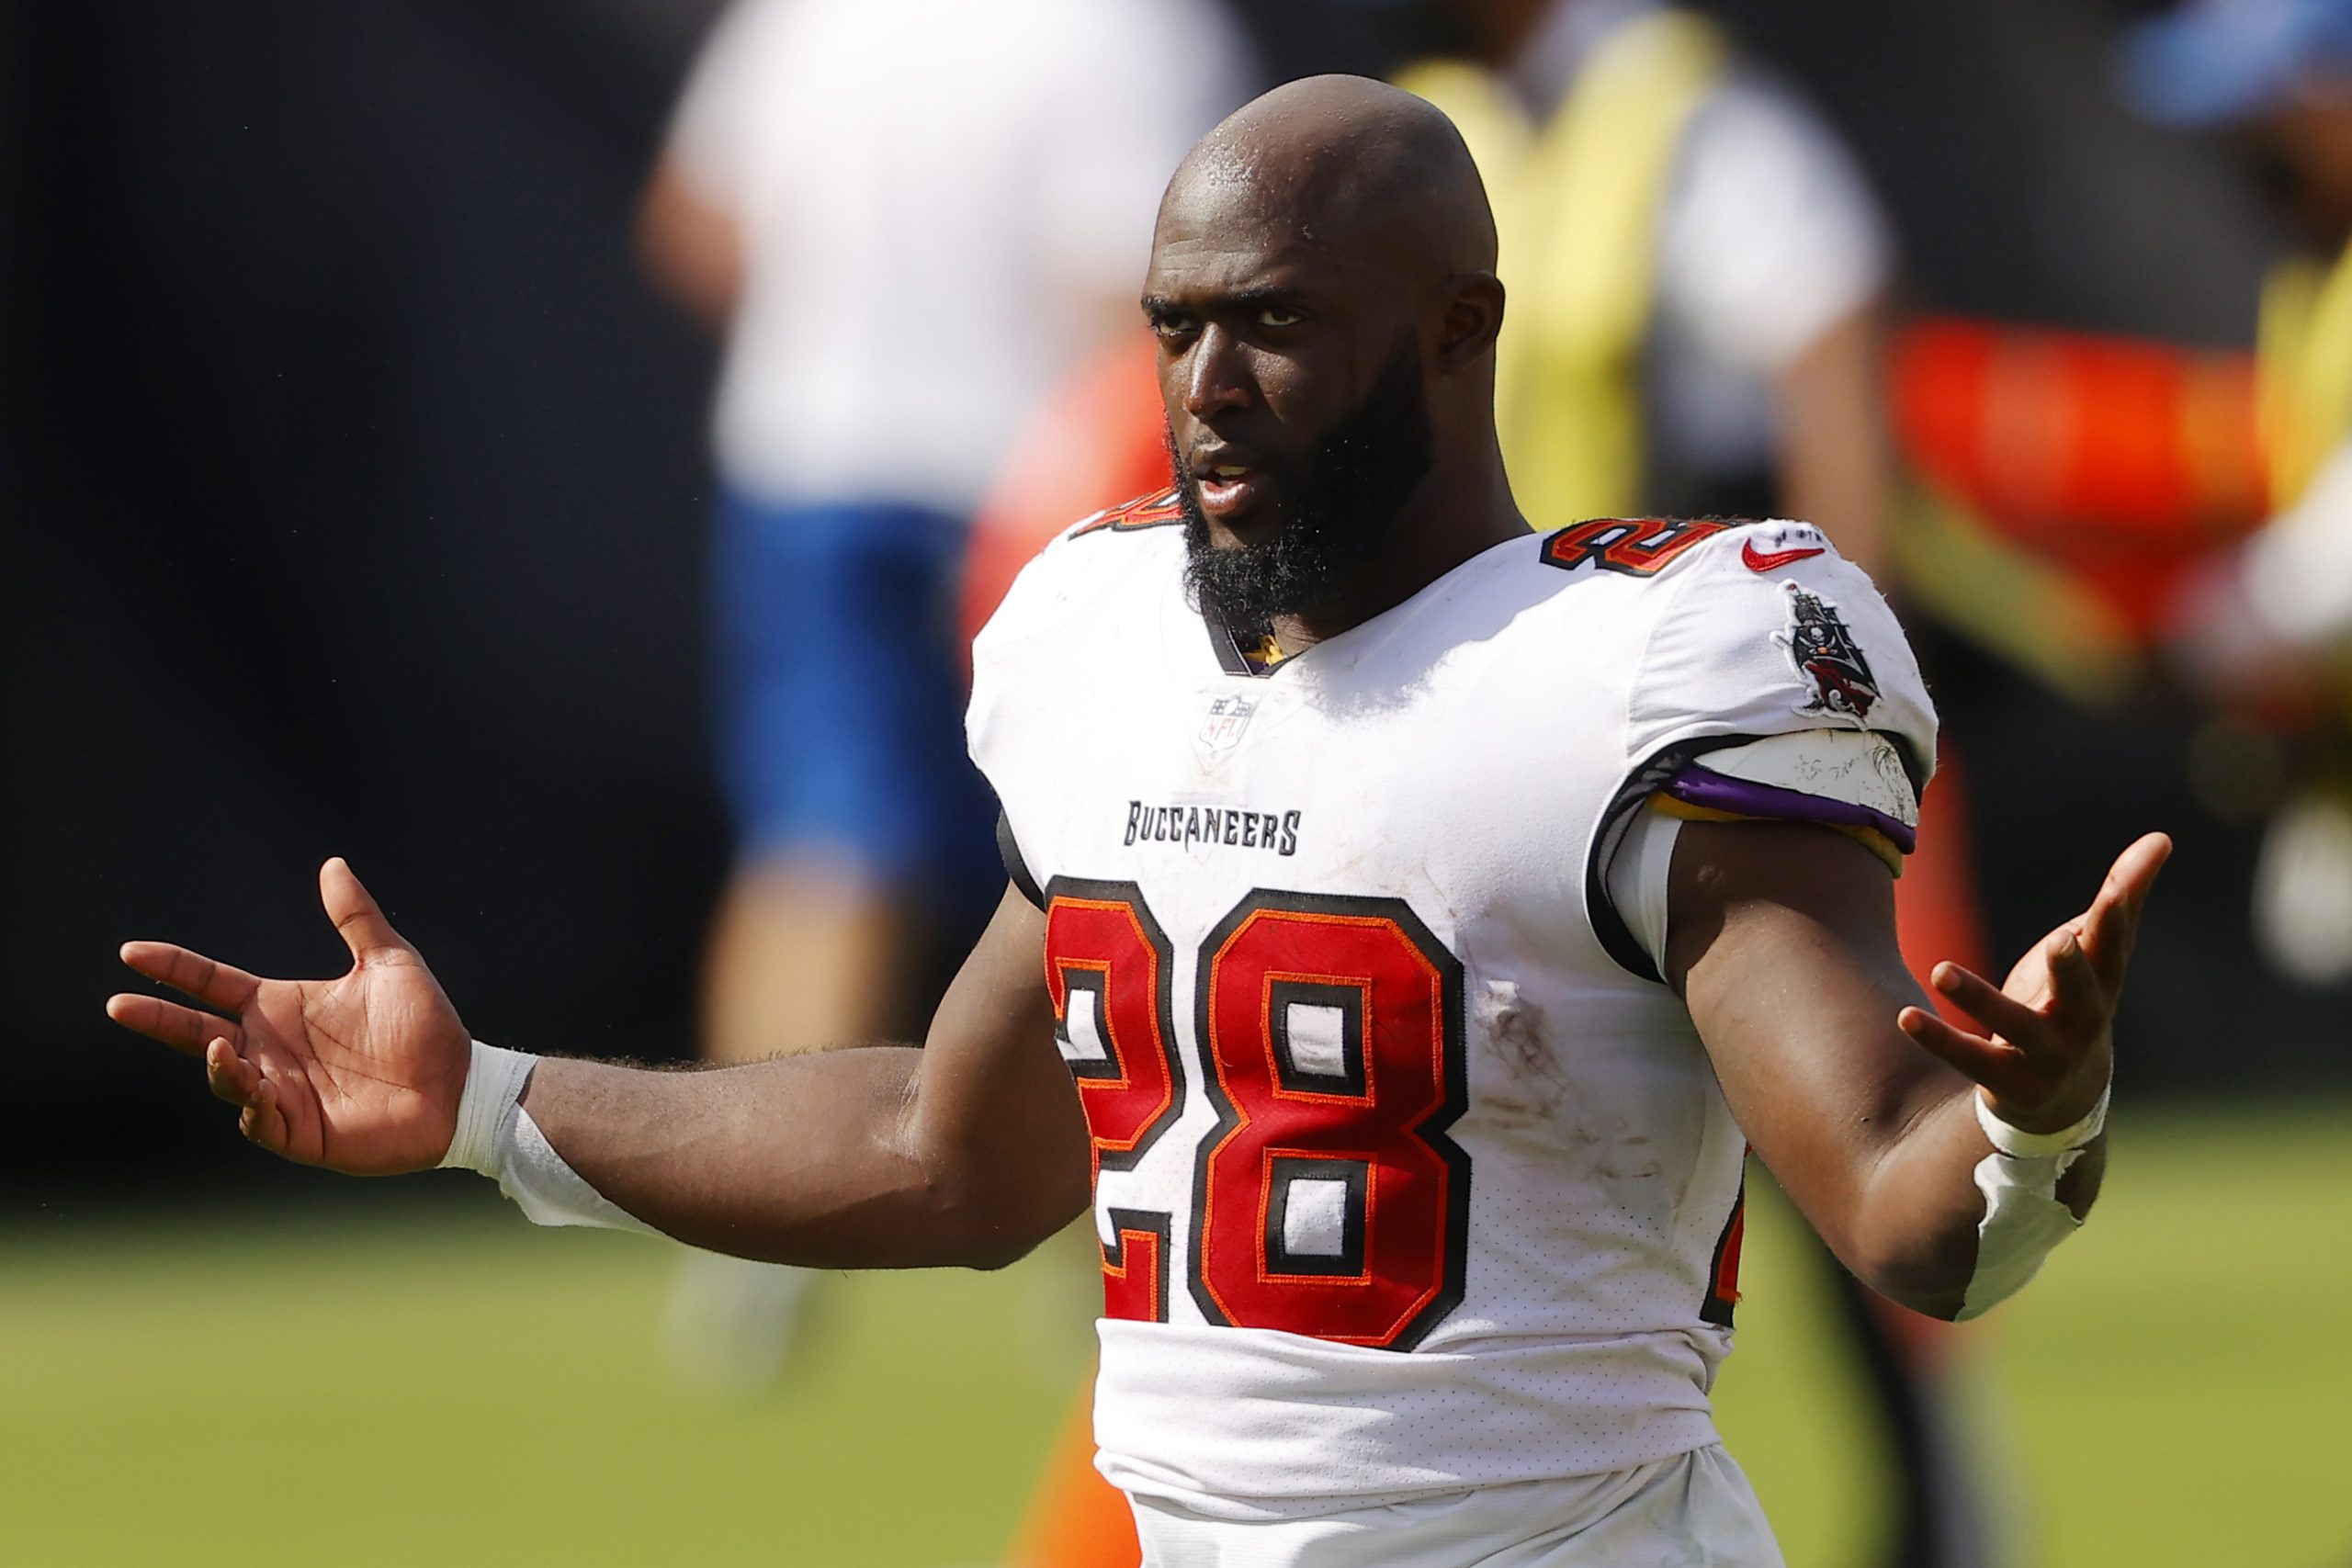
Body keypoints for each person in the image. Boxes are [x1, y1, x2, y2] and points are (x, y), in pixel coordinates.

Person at [109, 78, 2165, 1563]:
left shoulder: (1646, 667)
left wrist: (2032, 1112)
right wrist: (486, 1100)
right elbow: (953, 1144)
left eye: (1269, 319)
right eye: (1173, 324)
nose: (1202, 385)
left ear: (1458, 328)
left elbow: (1911, 1218)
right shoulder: (1097, 640)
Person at [634, 0, 1250, 1387]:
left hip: (812, 465)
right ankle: (1114, 1223)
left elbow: (695, 220)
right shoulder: (1129, 30)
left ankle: (755, 1235)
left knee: (821, 843)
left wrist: (844, 314)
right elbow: (1128, 297)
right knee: (1103, 842)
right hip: (1028, 479)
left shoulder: (816, 18)